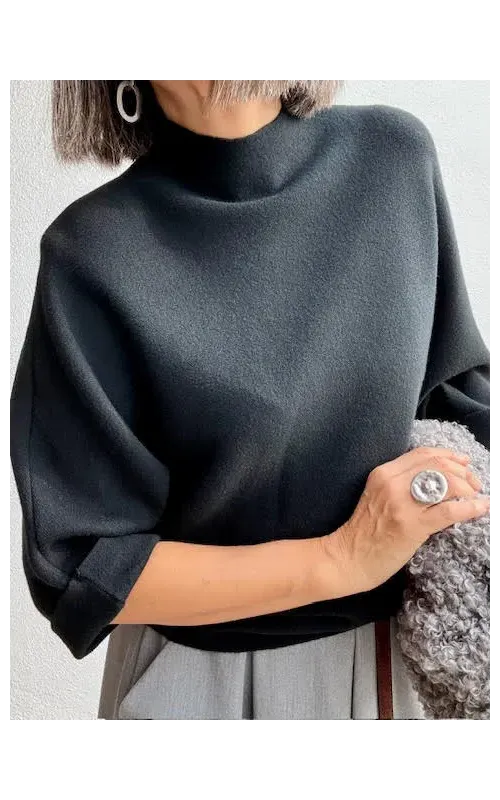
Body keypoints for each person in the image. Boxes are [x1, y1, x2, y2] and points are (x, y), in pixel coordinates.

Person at [9, 80, 492, 719]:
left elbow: (460, 398)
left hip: (393, 664)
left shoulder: (393, 157)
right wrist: (340, 559)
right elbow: (85, 567)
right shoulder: (91, 250)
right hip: (197, 683)